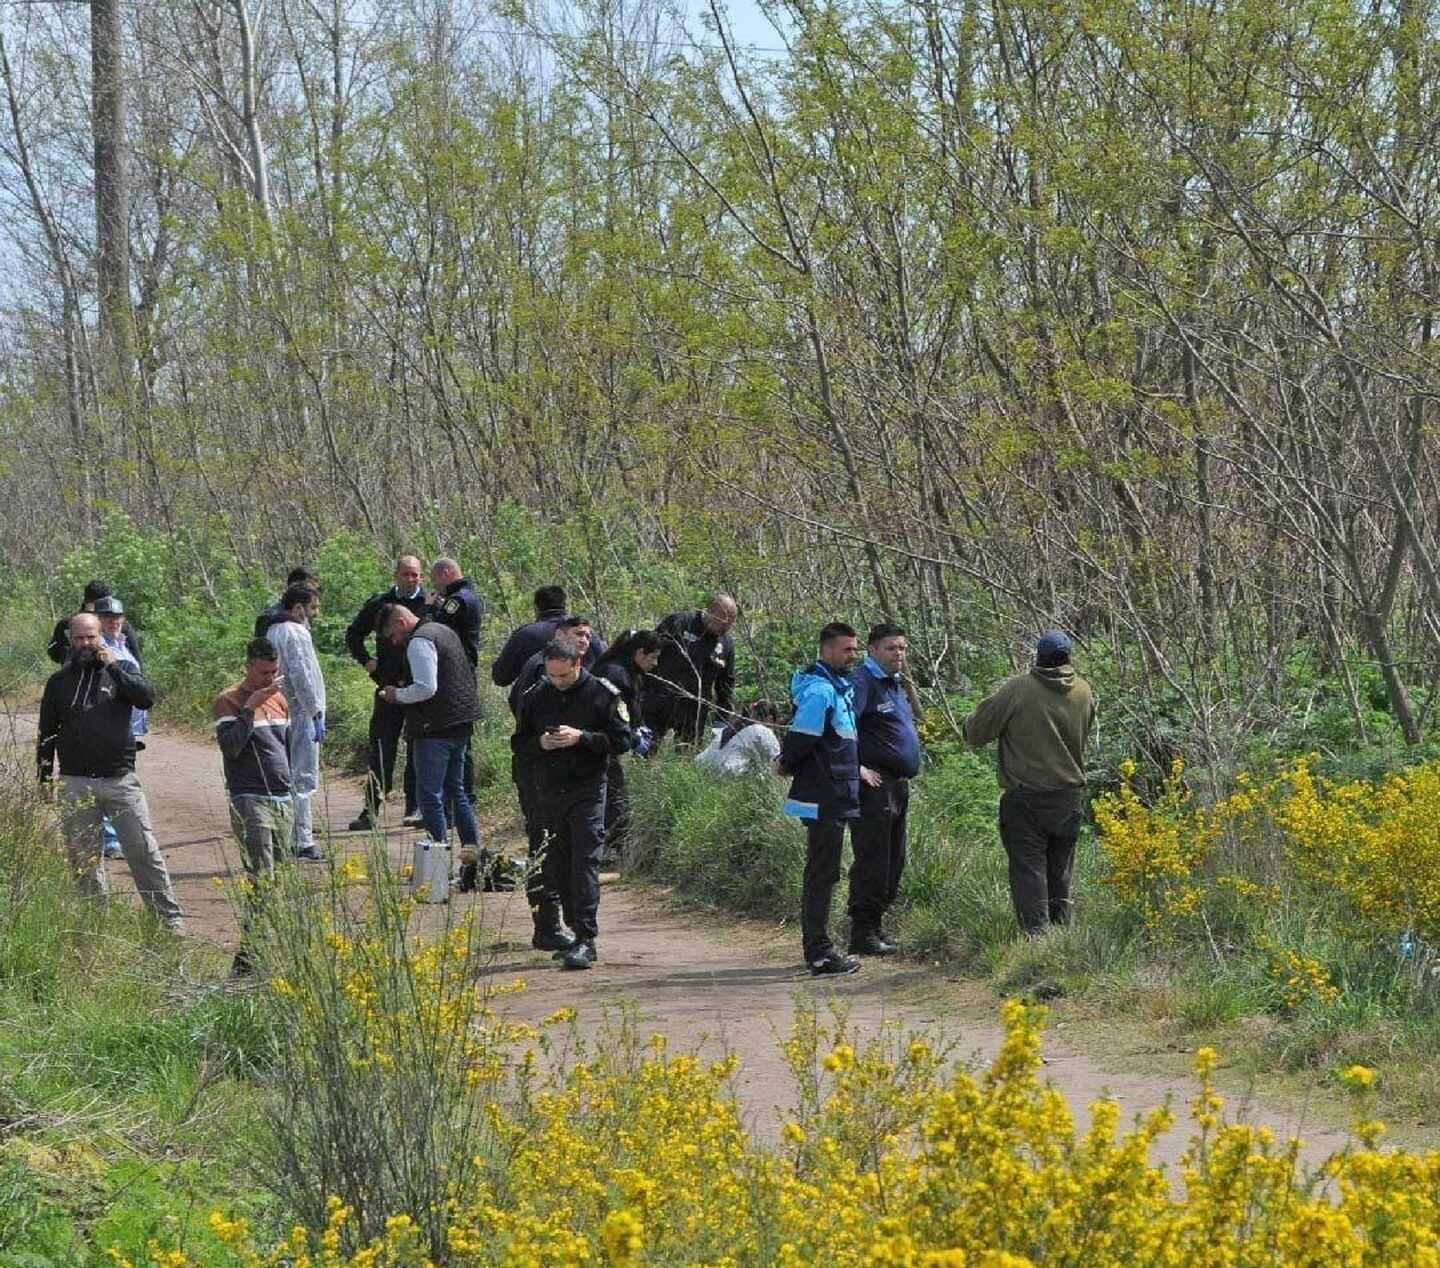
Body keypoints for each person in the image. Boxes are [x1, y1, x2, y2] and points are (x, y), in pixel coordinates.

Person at [36, 613, 184, 930]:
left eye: (91, 637)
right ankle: (95, 927)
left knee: (143, 852)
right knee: (84, 860)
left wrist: (113, 666)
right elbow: (46, 734)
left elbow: (146, 699)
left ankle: (168, 924)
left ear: (100, 636)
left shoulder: (123, 670)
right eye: (79, 638)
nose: (86, 644)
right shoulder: (59, 682)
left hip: (120, 781)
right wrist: (44, 778)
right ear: (69, 640)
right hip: (75, 783)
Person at [964, 629, 1097, 936]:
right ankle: (1062, 938)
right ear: (1068, 658)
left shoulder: (1020, 689)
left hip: (1026, 798)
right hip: (1068, 796)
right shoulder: (1084, 690)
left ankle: (1035, 942)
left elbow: (976, 733)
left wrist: (968, 723)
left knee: (1029, 871)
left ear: (1038, 657)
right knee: (1060, 873)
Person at [515, 640, 632, 968]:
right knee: (558, 865)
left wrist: (583, 738)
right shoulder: (536, 696)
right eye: (552, 676)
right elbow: (519, 743)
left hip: (588, 789)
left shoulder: (602, 694)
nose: (558, 682)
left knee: (585, 863)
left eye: (564, 676)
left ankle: (586, 938)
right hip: (550, 791)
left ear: (578, 665)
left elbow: (623, 740)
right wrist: (540, 742)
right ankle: (571, 929)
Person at [375, 603, 499, 892]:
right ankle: (473, 862)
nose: (394, 641)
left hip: (434, 728)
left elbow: (426, 687)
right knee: (457, 793)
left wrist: (396, 695)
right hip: (459, 724)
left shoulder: (419, 642)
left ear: (402, 622)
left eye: (392, 634)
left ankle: (438, 867)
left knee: (429, 795)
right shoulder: (444, 630)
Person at [775, 622, 863, 976]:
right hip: (823, 796)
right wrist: (784, 762)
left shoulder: (839, 689)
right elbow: (800, 741)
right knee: (822, 874)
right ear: (826, 650)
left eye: (855, 649)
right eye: (847, 650)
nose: (852, 656)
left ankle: (820, 947)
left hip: (836, 795)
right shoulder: (821, 692)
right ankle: (820, 952)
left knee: (825, 872)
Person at [214, 638, 294, 976]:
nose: (269, 679)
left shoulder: (279, 699)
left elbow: (285, 747)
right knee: (262, 877)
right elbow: (231, 748)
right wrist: (249, 708)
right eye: (263, 672)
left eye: (274, 672)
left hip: (282, 798)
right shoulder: (229, 701)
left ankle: (265, 951)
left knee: (282, 879)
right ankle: (248, 957)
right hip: (250, 797)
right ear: (248, 666)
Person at [506, 617, 601, 898]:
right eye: (576, 634)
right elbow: (524, 719)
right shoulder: (543, 670)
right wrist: (542, 741)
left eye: (586, 635)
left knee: (563, 851)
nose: (583, 640)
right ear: (558, 635)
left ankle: (563, 921)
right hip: (540, 773)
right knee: (547, 850)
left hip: (565, 776)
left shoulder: (581, 674)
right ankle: (547, 923)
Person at [847, 623, 922, 957]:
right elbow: (842, 727)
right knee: (873, 860)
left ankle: (876, 927)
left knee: (895, 860)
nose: (898, 655)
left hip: (897, 786)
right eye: (891, 648)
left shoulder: (894, 684)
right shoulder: (862, 682)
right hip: (874, 788)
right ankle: (862, 932)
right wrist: (856, 767)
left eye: (902, 649)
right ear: (873, 649)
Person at [345, 556, 429, 831]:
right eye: (405, 574)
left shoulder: (428, 605)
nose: (410, 580)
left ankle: (413, 806)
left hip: (418, 687)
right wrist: (369, 663)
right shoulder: (379, 603)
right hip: (387, 684)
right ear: (396, 575)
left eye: (415, 575)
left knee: (417, 747)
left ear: (422, 576)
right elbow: (354, 635)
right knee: (381, 748)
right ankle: (370, 810)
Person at [267, 584, 327, 862]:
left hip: (281, 712)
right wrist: (315, 711)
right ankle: (302, 840)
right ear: (298, 608)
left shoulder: (274, 629)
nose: (315, 613)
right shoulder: (294, 631)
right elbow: (302, 674)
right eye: (312, 607)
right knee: (303, 779)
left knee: (286, 777)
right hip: (300, 713)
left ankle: (284, 836)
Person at [593, 629, 660, 858]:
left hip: (611, 744)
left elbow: (631, 707)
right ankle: (615, 851)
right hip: (599, 745)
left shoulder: (631, 673)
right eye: (652, 657)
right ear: (640, 653)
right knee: (615, 799)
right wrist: (633, 737)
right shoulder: (614, 673)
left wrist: (638, 727)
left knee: (613, 797)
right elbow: (609, 715)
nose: (655, 663)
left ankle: (612, 849)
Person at [648, 593, 738, 747]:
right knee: (646, 751)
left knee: (686, 758)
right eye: (723, 622)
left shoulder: (726, 643)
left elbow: (726, 685)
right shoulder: (680, 622)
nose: (726, 628)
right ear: (710, 612)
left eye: (730, 624)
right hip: (660, 700)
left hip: (694, 711)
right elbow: (649, 652)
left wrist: (722, 720)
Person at [95, 596, 147, 860]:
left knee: (124, 779)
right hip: (111, 722)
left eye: (117, 617)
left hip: (131, 724)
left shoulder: (124, 645)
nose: (113, 621)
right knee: (112, 779)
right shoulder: (99, 648)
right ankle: (111, 839)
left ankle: (121, 836)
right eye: (107, 617)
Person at [47, 579, 140, 665]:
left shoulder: (120, 626)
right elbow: (53, 652)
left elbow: (137, 659)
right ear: (88, 604)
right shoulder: (67, 624)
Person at [695, 699, 782, 776]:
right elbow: (777, 764)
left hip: (701, 768)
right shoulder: (764, 732)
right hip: (725, 775)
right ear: (770, 719)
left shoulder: (733, 727)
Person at [428, 557, 485, 669]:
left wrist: (429, 607)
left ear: (445, 574)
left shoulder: (458, 600)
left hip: (460, 668)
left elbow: (437, 627)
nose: (434, 586)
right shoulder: (468, 595)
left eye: (434, 580)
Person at [255, 568, 321, 638]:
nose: (314, 592)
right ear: (294, 585)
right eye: (310, 587)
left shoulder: (304, 613)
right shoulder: (272, 614)